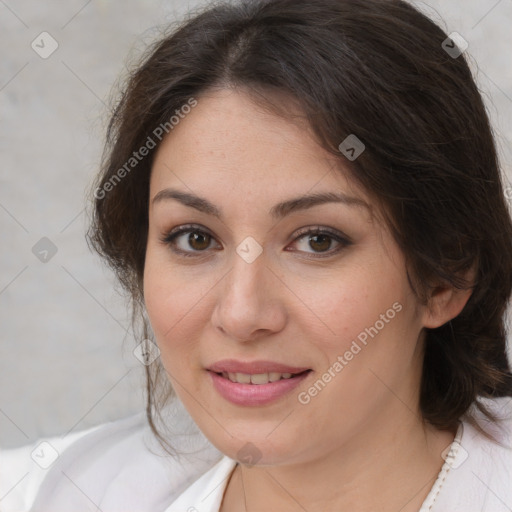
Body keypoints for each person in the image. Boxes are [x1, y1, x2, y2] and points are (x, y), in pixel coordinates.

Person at [2, 0, 512, 510]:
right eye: (195, 238)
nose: (242, 315)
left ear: (444, 278)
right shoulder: (39, 493)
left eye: (317, 240)